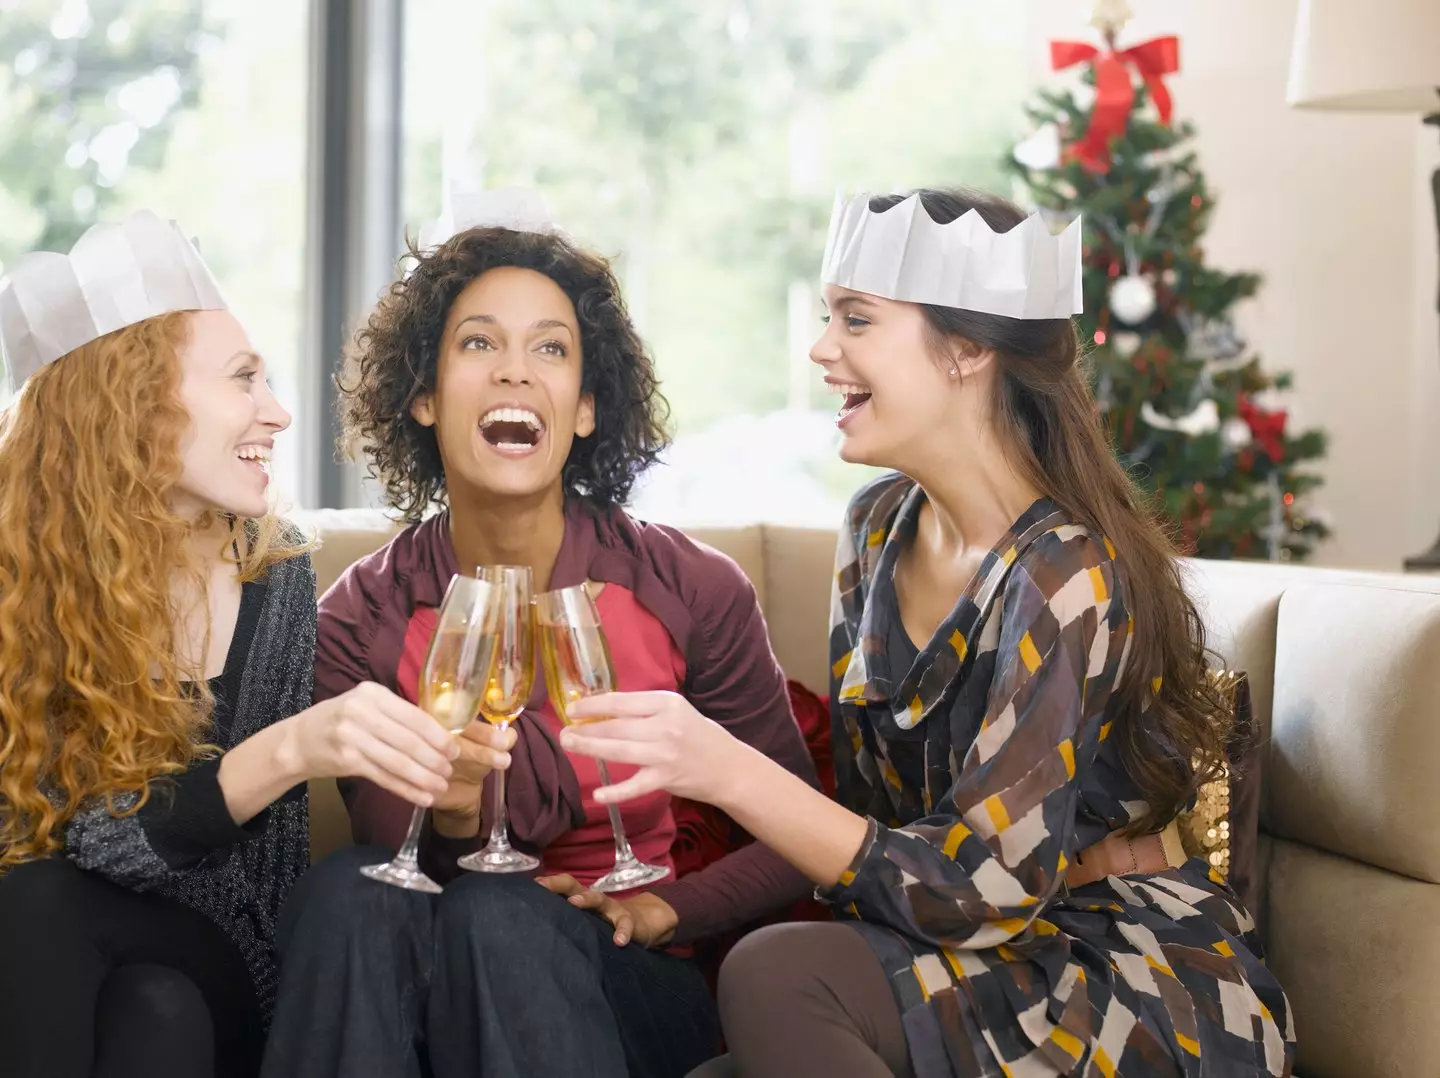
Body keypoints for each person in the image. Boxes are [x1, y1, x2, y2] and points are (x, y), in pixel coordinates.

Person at [558, 188, 1297, 1077]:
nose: (822, 348)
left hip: (1129, 973)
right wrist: (674, 907)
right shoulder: (874, 530)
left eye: (857, 320)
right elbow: (879, 838)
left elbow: (986, 888)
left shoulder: (1066, 575)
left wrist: (722, 765)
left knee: (776, 975)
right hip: (975, 961)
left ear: (970, 350)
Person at [261, 193, 819, 1078]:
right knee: (352, 890)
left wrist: (667, 912)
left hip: (623, 981)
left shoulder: (689, 588)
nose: (515, 372)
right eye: (479, 343)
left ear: (586, 408)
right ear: (422, 399)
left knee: (502, 909)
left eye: (550, 349)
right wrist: (445, 807)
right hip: (409, 969)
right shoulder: (360, 614)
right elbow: (381, 839)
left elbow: (800, 833)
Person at [0, 212, 461, 1078]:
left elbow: (248, 887)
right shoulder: (21, 581)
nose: (278, 413)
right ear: (130, 401)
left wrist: (286, 753)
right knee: (148, 1011)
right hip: (59, 969)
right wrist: (290, 747)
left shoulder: (274, 573)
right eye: (245, 379)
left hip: (227, 960)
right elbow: (82, 842)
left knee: (46, 907)